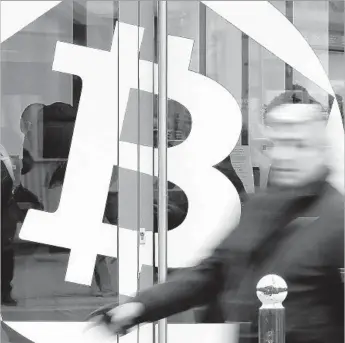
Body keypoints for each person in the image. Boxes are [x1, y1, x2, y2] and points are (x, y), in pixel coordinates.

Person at [89, 89, 344, 343]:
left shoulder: (337, 220)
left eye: (298, 145)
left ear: (321, 150)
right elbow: (213, 272)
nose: (284, 155)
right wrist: (140, 307)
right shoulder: (261, 207)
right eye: (278, 144)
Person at [1, 145, 25, 306]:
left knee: (6, 254)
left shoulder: (3, 152)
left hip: (5, 214)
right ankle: (5, 293)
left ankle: (5, 292)